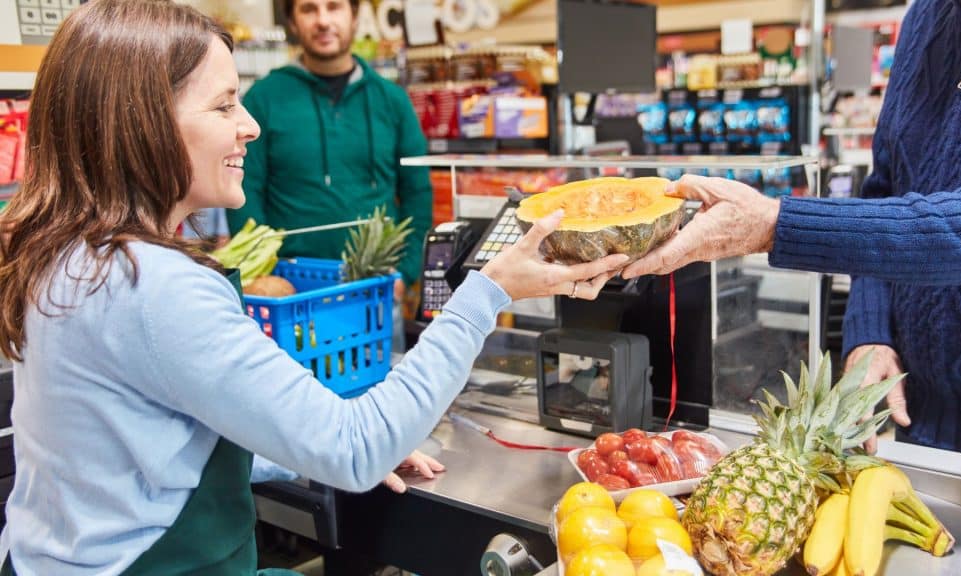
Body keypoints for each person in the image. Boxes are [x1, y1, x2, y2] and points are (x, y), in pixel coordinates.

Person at [0, 2, 628, 574]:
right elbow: (355, 447)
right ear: (142, 124)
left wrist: (292, 448)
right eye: (222, 106)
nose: (248, 125)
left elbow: (146, 447)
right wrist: (486, 292)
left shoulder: (67, 254)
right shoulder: (156, 288)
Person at [624, 1, 961, 463]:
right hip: (920, 424)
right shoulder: (927, 17)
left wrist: (777, 225)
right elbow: (886, 189)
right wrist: (870, 330)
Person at [226, 0, 433, 328]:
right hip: (290, 298)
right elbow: (243, 192)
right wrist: (260, 272)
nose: (323, 20)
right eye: (309, 9)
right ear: (292, 22)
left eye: (333, 6)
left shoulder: (392, 100)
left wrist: (405, 272)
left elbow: (418, 193)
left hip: (375, 292)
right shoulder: (263, 99)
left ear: (354, 16)